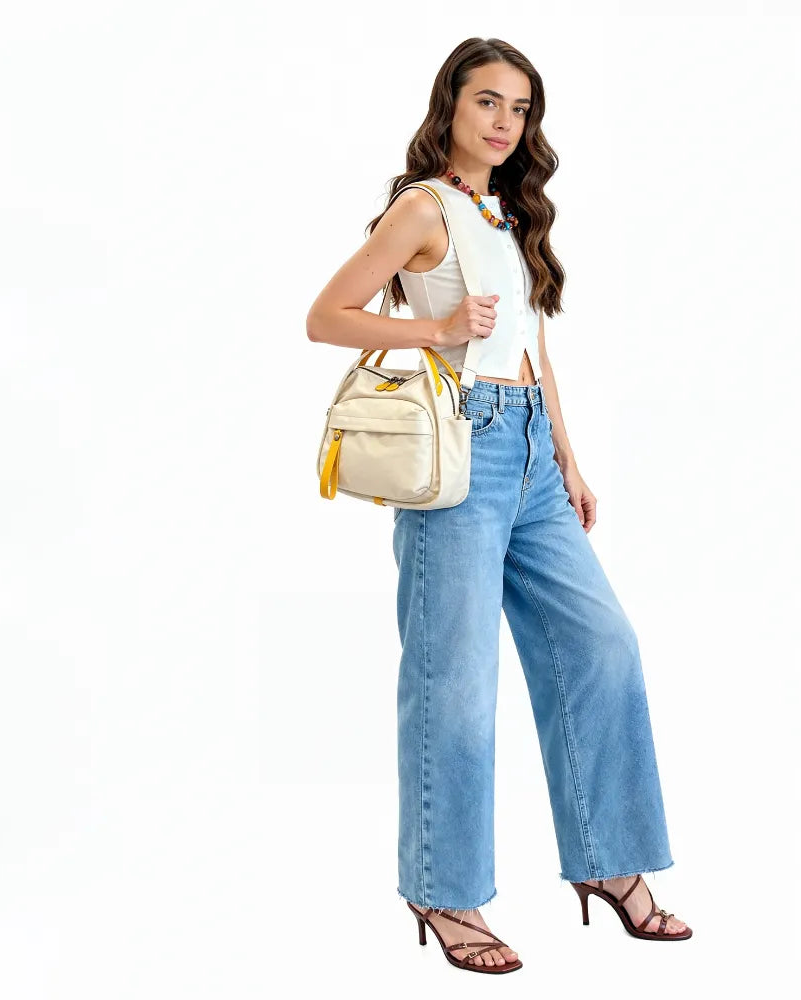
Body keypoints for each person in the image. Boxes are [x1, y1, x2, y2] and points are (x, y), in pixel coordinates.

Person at [306, 37, 692, 974]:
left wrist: (567, 458)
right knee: (456, 682)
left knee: (603, 646)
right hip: (458, 456)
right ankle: (444, 889)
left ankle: (609, 861)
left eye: (519, 109)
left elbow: (533, 348)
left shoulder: (507, 213)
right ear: (451, 104)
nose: (504, 122)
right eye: (487, 101)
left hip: (530, 459)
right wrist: (436, 327)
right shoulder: (423, 208)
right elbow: (325, 316)